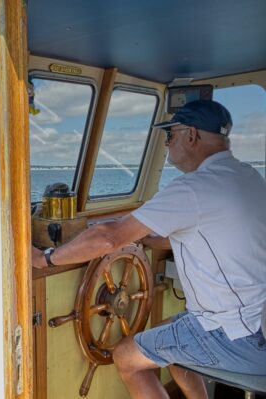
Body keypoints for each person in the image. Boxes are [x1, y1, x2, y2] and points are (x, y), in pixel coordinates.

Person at [32, 99, 266, 399]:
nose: (167, 144)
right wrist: (149, 240)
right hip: (255, 322)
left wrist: (45, 259)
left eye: (170, 136)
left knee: (127, 358)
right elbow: (215, 233)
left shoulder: (193, 188)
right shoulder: (248, 177)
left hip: (233, 336)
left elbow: (107, 238)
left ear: (191, 135)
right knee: (168, 341)